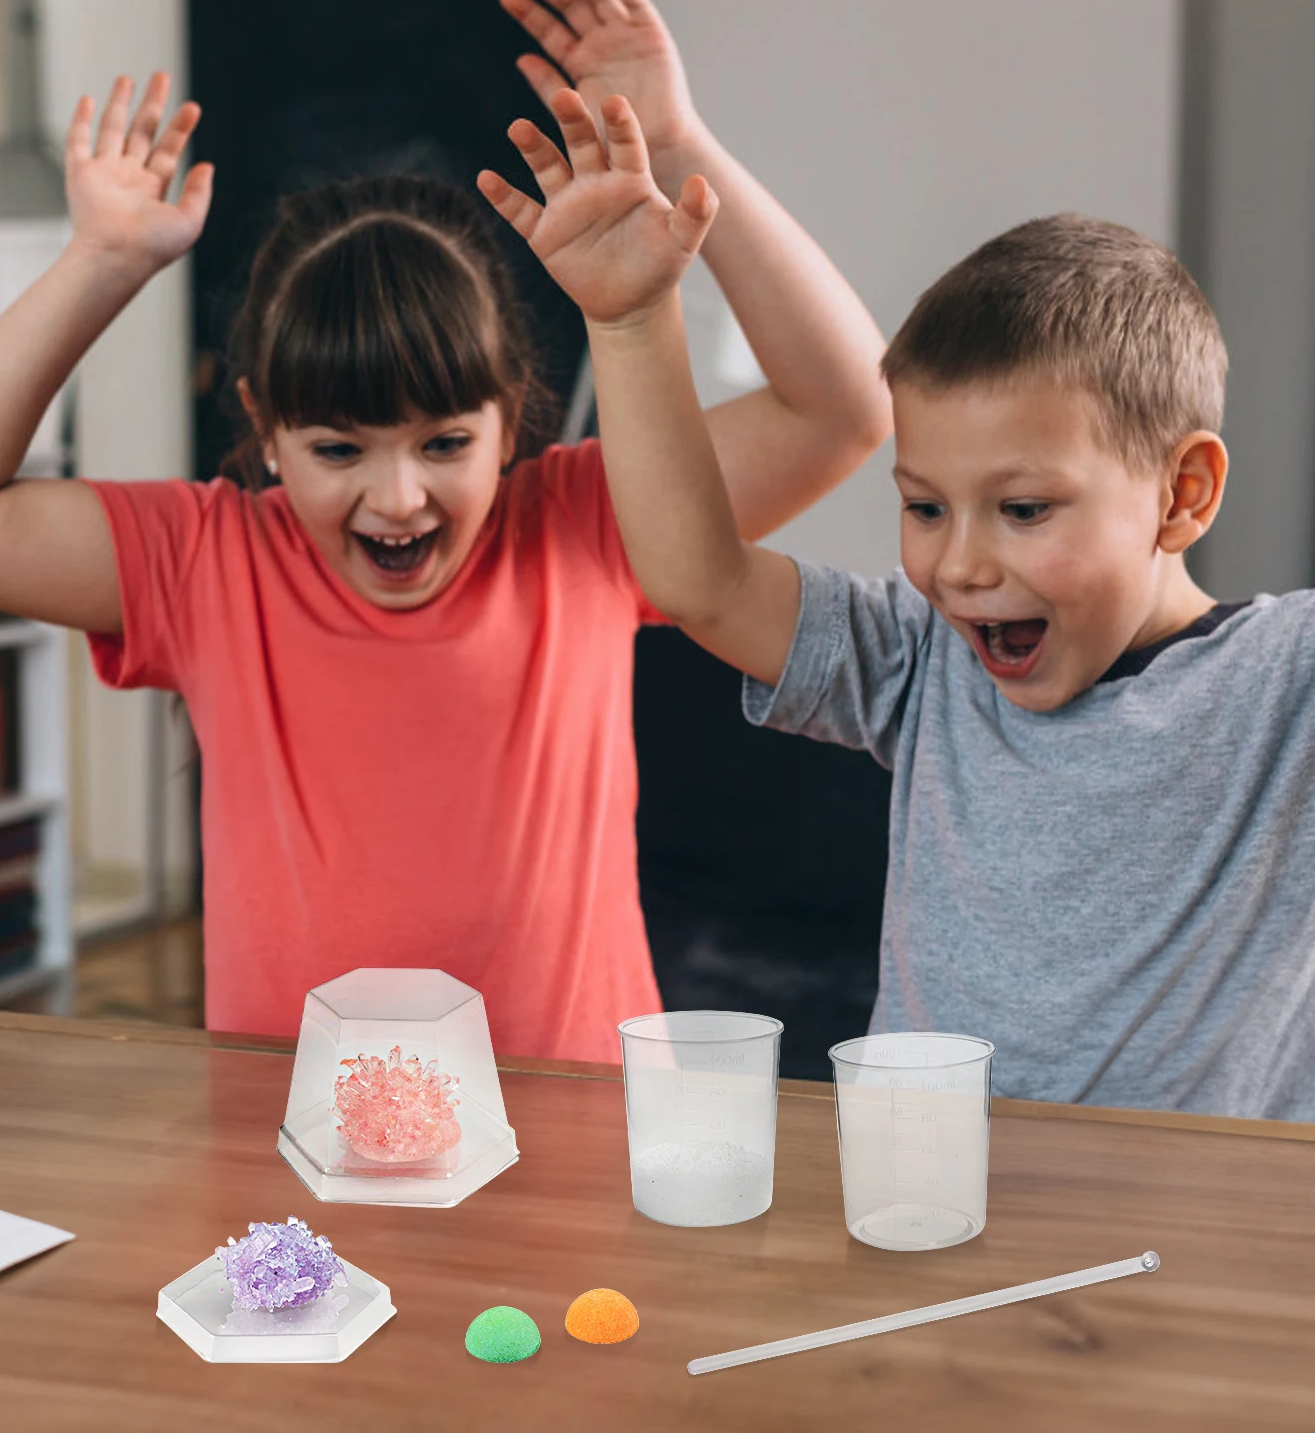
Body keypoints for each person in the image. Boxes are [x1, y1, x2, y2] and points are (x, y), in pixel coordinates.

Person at [0, 0, 890, 1061]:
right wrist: (102, 262)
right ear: (264, 427)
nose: (398, 499)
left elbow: (848, 407)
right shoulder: (207, 555)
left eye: (446, 443)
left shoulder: (588, 518)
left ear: (509, 417)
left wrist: (681, 145)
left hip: (575, 1149)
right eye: (339, 448)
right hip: (297, 1156)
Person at [485, 85, 1315, 1119]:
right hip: (929, 1206)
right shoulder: (928, 660)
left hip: (1196, 1255)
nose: (960, 565)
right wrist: (630, 318)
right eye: (924, 507)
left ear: (1182, 495)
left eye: (1021, 508)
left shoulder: (1286, 686)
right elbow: (700, 580)